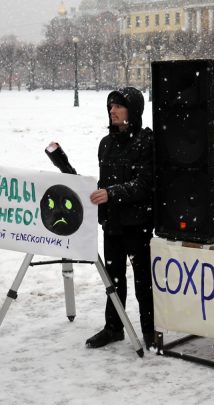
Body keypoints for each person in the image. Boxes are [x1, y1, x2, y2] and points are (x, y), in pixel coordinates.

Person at [86, 87, 156, 349]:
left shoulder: (146, 141)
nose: (112, 111)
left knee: (143, 281)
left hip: (138, 223)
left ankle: (150, 333)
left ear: (133, 111)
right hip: (113, 224)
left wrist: (112, 194)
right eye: (110, 106)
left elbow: (145, 184)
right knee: (113, 279)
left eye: (119, 106)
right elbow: (105, 181)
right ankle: (113, 327)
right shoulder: (106, 143)